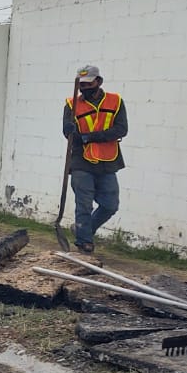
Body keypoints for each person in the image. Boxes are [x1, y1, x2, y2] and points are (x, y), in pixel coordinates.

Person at [62, 64, 127, 254]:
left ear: (98, 82)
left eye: (88, 84)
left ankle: (84, 229)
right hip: (81, 160)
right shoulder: (71, 104)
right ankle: (84, 242)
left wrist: (89, 136)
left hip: (108, 160)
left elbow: (121, 129)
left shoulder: (115, 101)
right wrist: (69, 130)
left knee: (110, 205)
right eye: (81, 84)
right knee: (84, 203)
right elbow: (67, 132)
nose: (84, 88)